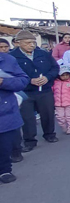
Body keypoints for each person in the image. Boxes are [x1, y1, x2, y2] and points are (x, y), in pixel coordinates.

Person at [10, 30, 59, 150]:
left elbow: (55, 68)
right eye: (27, 43)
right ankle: (30, 140)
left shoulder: (43, 53)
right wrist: (29, 80)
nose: (31, 45)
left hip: (44, 90)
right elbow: (11, 75)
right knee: (27, 117)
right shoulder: (12, 57)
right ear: (18, 43)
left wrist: (47, 78)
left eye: (33, 42)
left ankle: (49, 134)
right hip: (25, 91)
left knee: (47, 113)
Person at [0, 51, 29, 183]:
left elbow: (22, 81)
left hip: (4, 112)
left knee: (4, 146)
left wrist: (2, 81)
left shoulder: (8, 60)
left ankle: (4, 170)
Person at [52, 68, 70, 134]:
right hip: (58, 103)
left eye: (66, 75)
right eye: (62, 75)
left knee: (69, 116)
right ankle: (63, 126)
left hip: (69, 103)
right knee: (60, 116)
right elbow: (52, 91)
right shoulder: (55, 83)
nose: (65, 77)